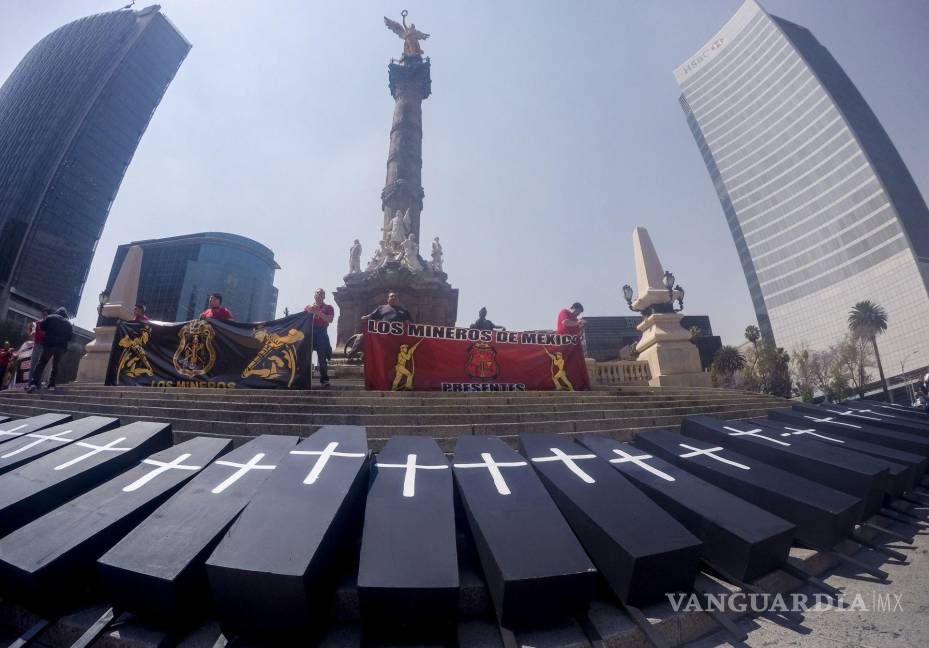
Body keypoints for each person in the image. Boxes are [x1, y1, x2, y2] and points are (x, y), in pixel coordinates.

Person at [26, 307, 73, 393]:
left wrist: (48, 333)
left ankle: (34, 383)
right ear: (65, 315)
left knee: (42, 363)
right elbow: (70, 338)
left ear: (57, 312)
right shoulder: (68, 323)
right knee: (55, 365)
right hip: (61, 347)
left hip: (50, 344)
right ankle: (51, 385)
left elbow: (42, 326)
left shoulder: (51, 317)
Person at [304, 288, 335, 387]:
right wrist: (311, 311)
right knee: (305, 356)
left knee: (322, 357)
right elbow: (302, 320)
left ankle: (324, 379)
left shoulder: (328, 307)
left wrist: (317, 312)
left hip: (322, 332)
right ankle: (303, 379)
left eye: (322, 293)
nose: (319, 294)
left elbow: (329, 319)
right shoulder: (308, 307)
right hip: (310, 332)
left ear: (324, 296)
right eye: (318, 293)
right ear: (314, 295)